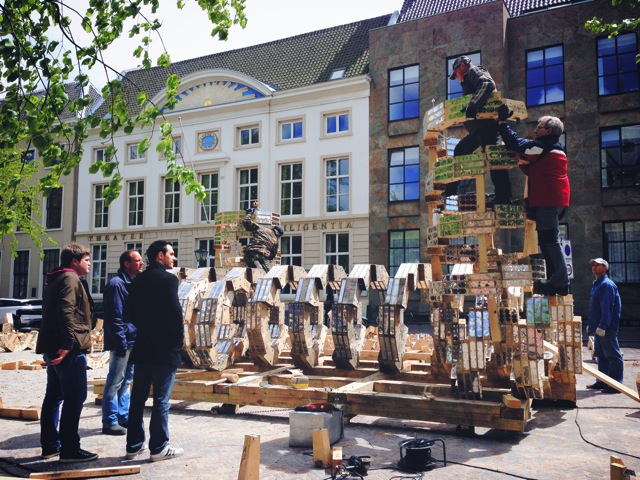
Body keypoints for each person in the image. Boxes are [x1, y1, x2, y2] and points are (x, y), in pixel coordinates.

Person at [497, 106, 570, 295]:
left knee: (550, 241)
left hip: (548, 201)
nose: (535, 130)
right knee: (547, 240)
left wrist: (502, 123)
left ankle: (560, 282)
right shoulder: (552, 150)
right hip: (552, 201)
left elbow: (517, 144)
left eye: (539, 127)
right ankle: (554, 280)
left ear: (549, 131)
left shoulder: (545, 147)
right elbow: (533, 168)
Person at [36, 242, 98, 463]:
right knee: (76, 396)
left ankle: (50, 447)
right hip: (67, 350)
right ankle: (70, 449)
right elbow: (66, 311)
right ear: (75, 261)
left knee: (53, 397)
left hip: (54, 346)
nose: (90, 264)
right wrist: (67, 344)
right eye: (87, 260)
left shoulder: (57, 278)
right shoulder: (70, 278)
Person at [125, 241, 184, 462]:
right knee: (161, 399)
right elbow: (174, 315)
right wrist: (177, 347)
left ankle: (133, 445)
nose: (174, 258)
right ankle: (158, 446)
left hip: (143, 347)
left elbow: (131, 313)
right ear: (160, 256)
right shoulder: (168, 279)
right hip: (164, 349)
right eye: (171, 254)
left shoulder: (138, 279)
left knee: (138, 398)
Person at [447, 55, 512, 205]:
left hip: (487, 126)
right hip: (478, 130)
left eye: (455, 73)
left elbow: (487, 84)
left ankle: (503, 197)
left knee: (494, 159)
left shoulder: (473, 71)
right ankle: (451, 190)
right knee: (460, 150)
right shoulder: (468, 79)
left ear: (462, 66)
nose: (457, 78)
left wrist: (473, 105)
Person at [101, 249, 144, 435]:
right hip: (124, 341)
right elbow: (114, 317)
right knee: (115, 381)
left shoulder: (132, 283)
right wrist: (120, 342)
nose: (142, 263)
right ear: (127, 263)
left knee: (126, 380)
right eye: (138, 260)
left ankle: (123, 416)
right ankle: (110, 421)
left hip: (132, 339)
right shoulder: (116, 285)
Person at [586, 258, 623, 393]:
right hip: (598, 327)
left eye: (598, 265)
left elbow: (607, 308)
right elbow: (595, 308)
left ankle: (615, 384)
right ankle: (602, 381)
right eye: (593, 265)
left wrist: (603, 326)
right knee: (601, 356)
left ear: (605, 268)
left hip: (606, 328)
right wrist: (592, 326)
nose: (595, 267)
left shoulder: (606, 285)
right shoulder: (597, 284)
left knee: (612, 355)